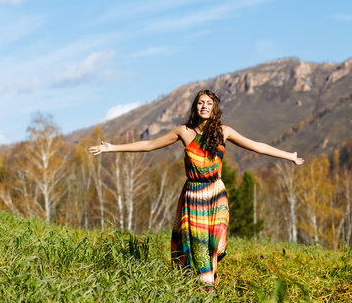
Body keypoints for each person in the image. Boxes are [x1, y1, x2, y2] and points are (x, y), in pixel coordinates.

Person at [88, 89, 304, 291]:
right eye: (200, 102)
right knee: (199, 244)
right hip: (193, 196)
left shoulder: (223, 132)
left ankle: (207, 281)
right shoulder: (184, 131)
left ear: (214, 108)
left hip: (217, 195)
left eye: (208, 103)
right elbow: (149, 144)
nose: (204, 106)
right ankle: (206, 291)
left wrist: (290, 156)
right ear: (195, 107)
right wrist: (112, 147)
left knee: (215, 243)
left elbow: (256, 145)